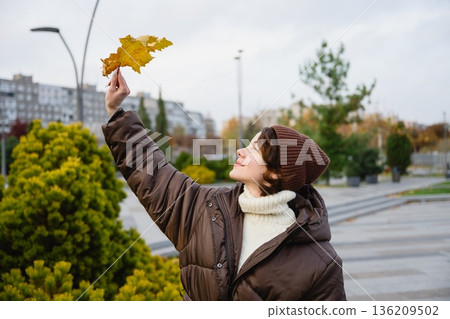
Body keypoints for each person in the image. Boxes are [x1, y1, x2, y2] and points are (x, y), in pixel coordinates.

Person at [102, 68, 346, 301]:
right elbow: (154, 175)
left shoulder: (321, 263)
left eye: (254, 150)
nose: (241, 151)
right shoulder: (206, 208)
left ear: (274, 174)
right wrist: (116, 112)